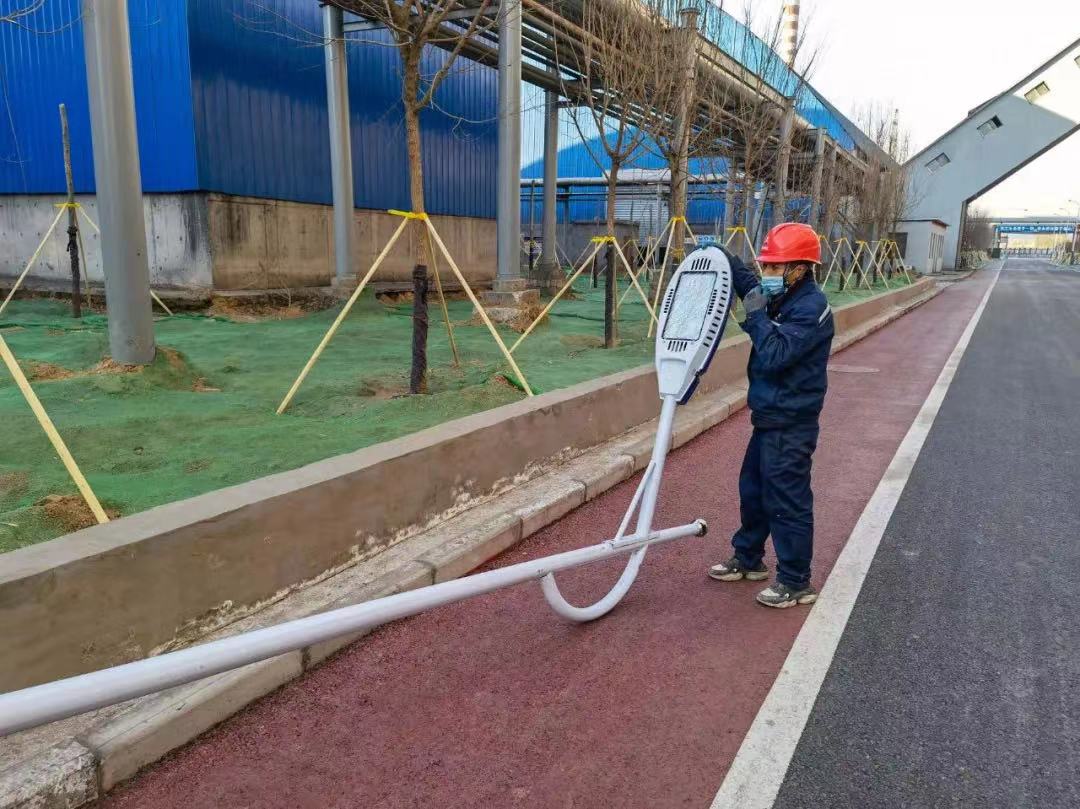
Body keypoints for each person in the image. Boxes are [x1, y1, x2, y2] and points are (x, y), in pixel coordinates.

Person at [707, 222, 834, 608]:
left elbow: (777, 354)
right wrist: (725, 259)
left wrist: (757, 318)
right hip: (768, 417)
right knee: (753, 491)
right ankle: (748, 558)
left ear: (799, 269)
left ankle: (796, 581)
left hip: (792, 422)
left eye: (776, 267)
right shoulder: (783, 295)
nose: (768, 273)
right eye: (767, 265)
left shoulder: (811, 308)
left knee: (788, 500)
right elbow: (751, 286)